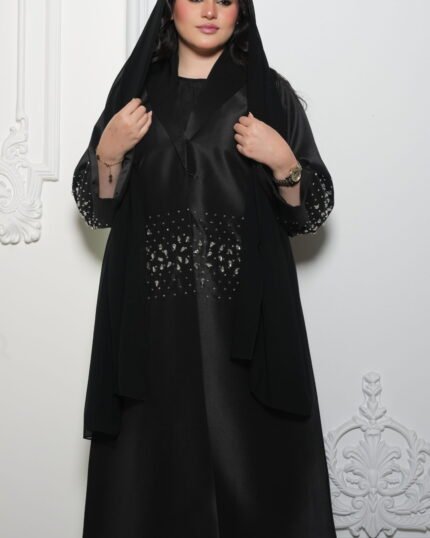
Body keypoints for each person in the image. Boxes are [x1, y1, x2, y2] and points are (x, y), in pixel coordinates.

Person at [72, 0, 336, 536]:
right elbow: (97, 209)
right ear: (170, 7)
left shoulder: (267, 93)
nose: (211, 9)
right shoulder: (137, 93)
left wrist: (284, 162)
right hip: (151, 324)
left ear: (243, 11)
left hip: (246, 324)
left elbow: (310, 213)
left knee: (254, 472)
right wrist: (108, 154)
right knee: (153, 478)